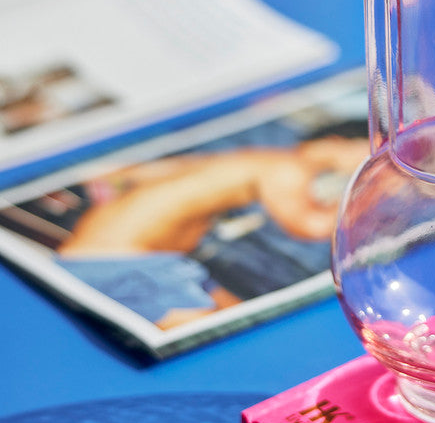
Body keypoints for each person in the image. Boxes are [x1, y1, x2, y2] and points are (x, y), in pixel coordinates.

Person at [56, 133, 368, 331]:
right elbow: (308, 226)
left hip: (93, 253)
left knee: (238, 316)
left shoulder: (235, 158)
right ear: (334, 141)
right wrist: (374, 193)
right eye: (364, 149)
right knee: (217, 335)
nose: (366, 160)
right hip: (134, 262)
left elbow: (122, 174)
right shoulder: (286, 165)